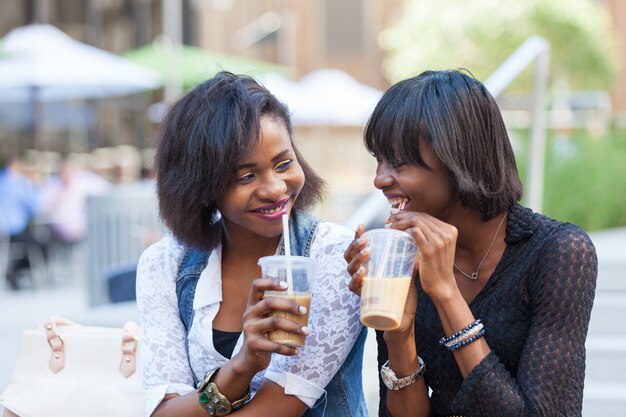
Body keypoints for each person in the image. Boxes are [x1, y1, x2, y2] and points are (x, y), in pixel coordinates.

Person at [344, 69, 598, 417]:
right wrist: (399, 333)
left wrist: (446, 294)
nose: (379, 179)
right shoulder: (402, 255)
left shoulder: (558, 252)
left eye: (399, 162)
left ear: (458, 160)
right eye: (379, 160)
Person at [136, 72, 367, 417]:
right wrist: (242, 366)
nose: (275, 189)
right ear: (201, 185)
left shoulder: (334, 254)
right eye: (246, 176)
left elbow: (273, 410)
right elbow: (164, 412)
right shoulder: (165, 264)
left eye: (284, 164)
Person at [0, 152, 42, 289]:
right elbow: (35, 207)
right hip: (14, 231)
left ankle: (13, 272)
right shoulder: (19, 184)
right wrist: (34, 185)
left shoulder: (2, 181)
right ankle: (14, 272)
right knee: (40, 246)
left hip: (3, 233)